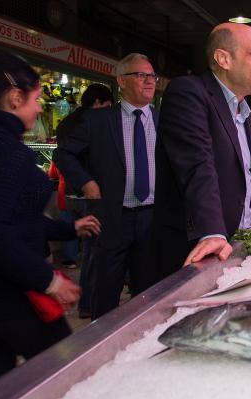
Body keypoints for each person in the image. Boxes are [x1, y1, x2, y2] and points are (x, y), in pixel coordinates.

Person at [0, 51, 100, 387]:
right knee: (70, 376)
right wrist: (48, 280)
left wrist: (68, 228)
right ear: (15, 98)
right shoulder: (7, 151)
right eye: (35, 99)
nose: (38, 108)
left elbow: (12, 217)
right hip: (7, 291)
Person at [151, 23, 251, 279]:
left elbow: (233, 178)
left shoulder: (244, 113)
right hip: (197, 252)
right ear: (223, 59)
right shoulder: (189, 93)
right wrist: (212, 231)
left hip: (236, 247)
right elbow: (197, 166)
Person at [54, 54, 158, 319]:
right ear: (121, 81)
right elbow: (63, 154)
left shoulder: (163, 120)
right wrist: (86, 181)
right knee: (106, 293)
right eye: (141, 75)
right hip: (113, 217)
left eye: (152, 76)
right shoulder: (98, 120)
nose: (149, 82)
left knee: (149, 294)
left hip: (152, 218)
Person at [54, 83, 113, 318]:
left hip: (69, 193)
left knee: (83, 244)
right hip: (91, 196)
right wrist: (88, 182)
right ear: (97, 103)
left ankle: (87, 301)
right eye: (107, 106)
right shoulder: (93, 122)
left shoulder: (66, 121)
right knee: (94, 251)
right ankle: (88, 304)